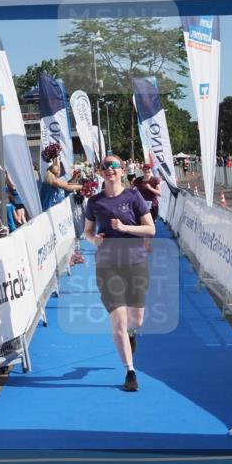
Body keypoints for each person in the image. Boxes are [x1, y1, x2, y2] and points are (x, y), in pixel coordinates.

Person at [83, 154, 156, 393]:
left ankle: (133, 333)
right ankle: (130, 371)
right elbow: (87, 231)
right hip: (107, 266)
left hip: (135, 263)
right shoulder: (95, 202)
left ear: (122, 171)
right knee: (118, 322)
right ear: (100, 172)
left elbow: (151, 229)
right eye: (105, 166)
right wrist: (95, 240)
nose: (109, 169)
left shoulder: (133, 196)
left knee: (136, 320)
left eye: (113, 165)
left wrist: (125, 228)